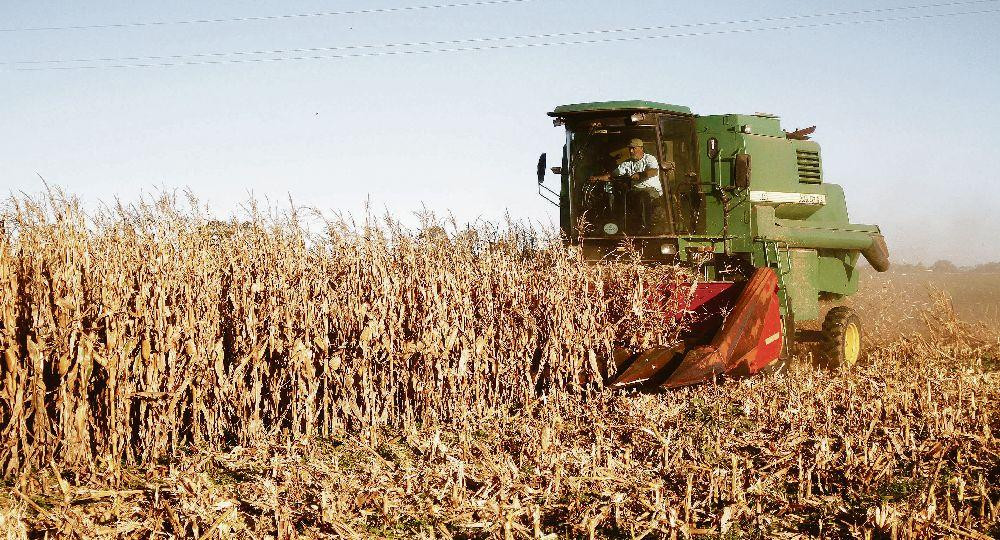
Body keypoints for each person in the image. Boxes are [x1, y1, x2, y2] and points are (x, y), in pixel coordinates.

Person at [590, 138, 674, 231]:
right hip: (635, 191)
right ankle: (621, 228)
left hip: (652, 191)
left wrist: (640, 174)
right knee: (622, 198)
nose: (631, 151)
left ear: (641, 148)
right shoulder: (627, 163)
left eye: (633, 148)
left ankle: (645, 229)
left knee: (643, 196)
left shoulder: (650, 159)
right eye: (630, 148)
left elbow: (653, 171)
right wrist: (597, 178)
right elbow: (612, 175)